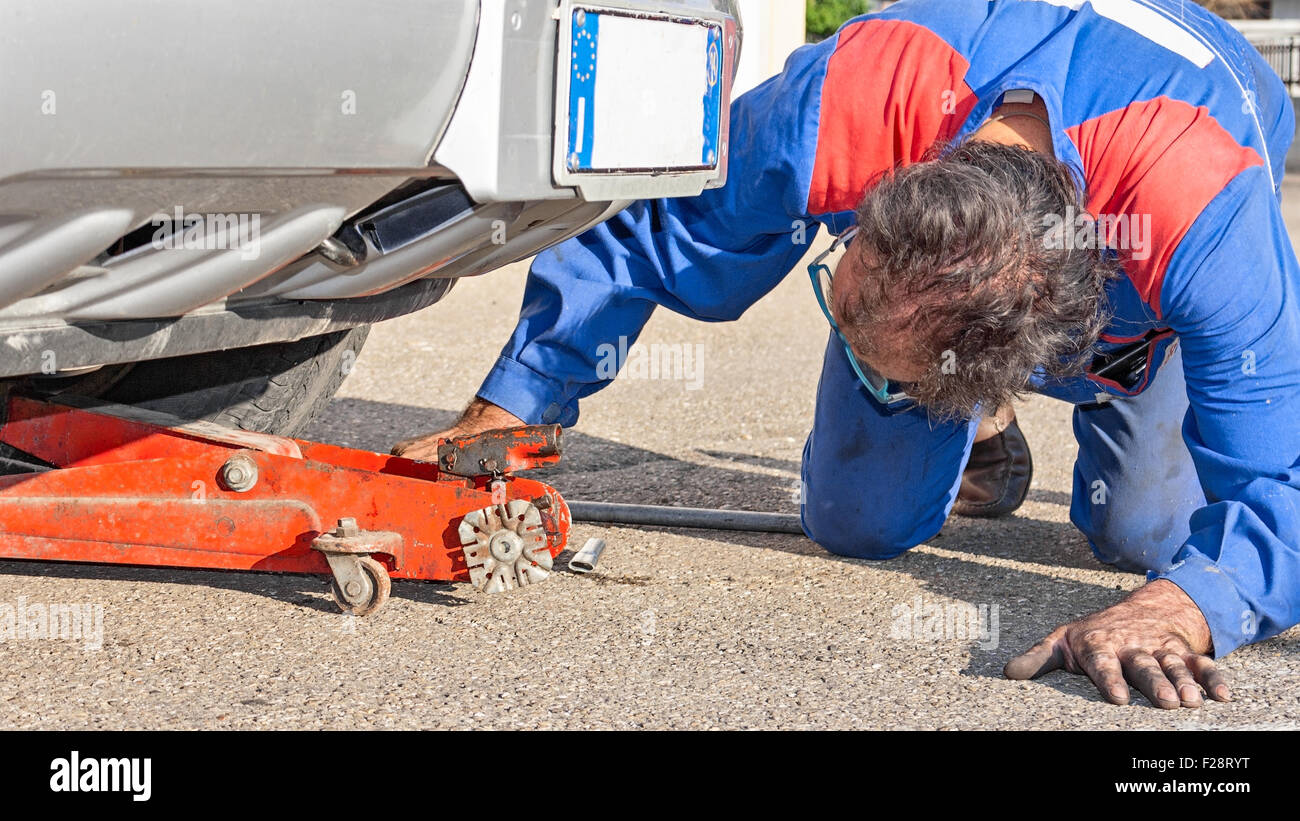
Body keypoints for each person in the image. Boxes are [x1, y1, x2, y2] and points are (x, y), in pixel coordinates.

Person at [395, 0, 1300, 709]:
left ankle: (1041, 406)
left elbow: (1284, 486)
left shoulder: (1204, 212)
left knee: (1149, 541)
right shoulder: (846, 104)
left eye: (889, 356)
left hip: (1141, 301)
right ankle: (971, 417)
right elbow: (646, 231)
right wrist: (514, 408)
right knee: (860, 525)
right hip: (962, 267)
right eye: (855, 309)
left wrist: (1190, 604)